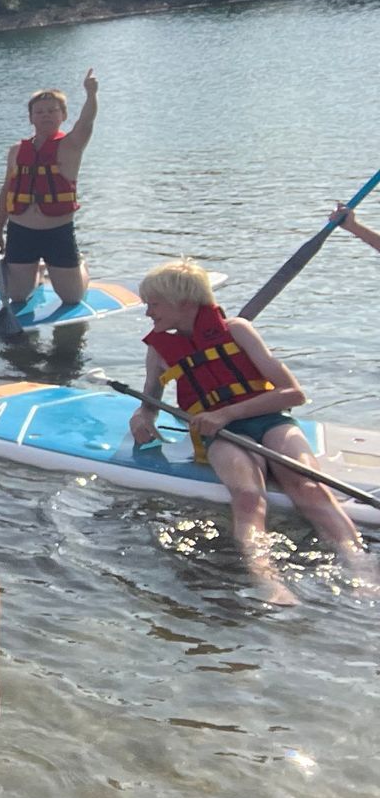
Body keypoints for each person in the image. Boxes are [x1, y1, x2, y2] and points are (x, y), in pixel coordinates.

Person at [127, 258, 373, 603]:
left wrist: (227, 412)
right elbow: (151, 395)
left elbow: (293, 393)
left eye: (153, 303)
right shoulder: (159, 348)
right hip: (222, 436)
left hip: (270, 422)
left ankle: (361, 568)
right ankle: (268, 580)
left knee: (309, 487)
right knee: (248, 498)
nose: (148, 313)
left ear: (182, 303)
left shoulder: (238, 330)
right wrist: (143, 416)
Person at [0, 70, 98, 309]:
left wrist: (91, 94)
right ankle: (37, 271)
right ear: (31, 118)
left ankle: (80, 265)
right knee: (17, 296)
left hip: (57, 232)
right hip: (21, 231)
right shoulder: (17, 151)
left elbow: (87, 123)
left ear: (63, 115)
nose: (46, 115)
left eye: (52, 111)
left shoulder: (70, 146)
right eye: (39, 112)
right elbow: (7, 192)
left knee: (72, 298)